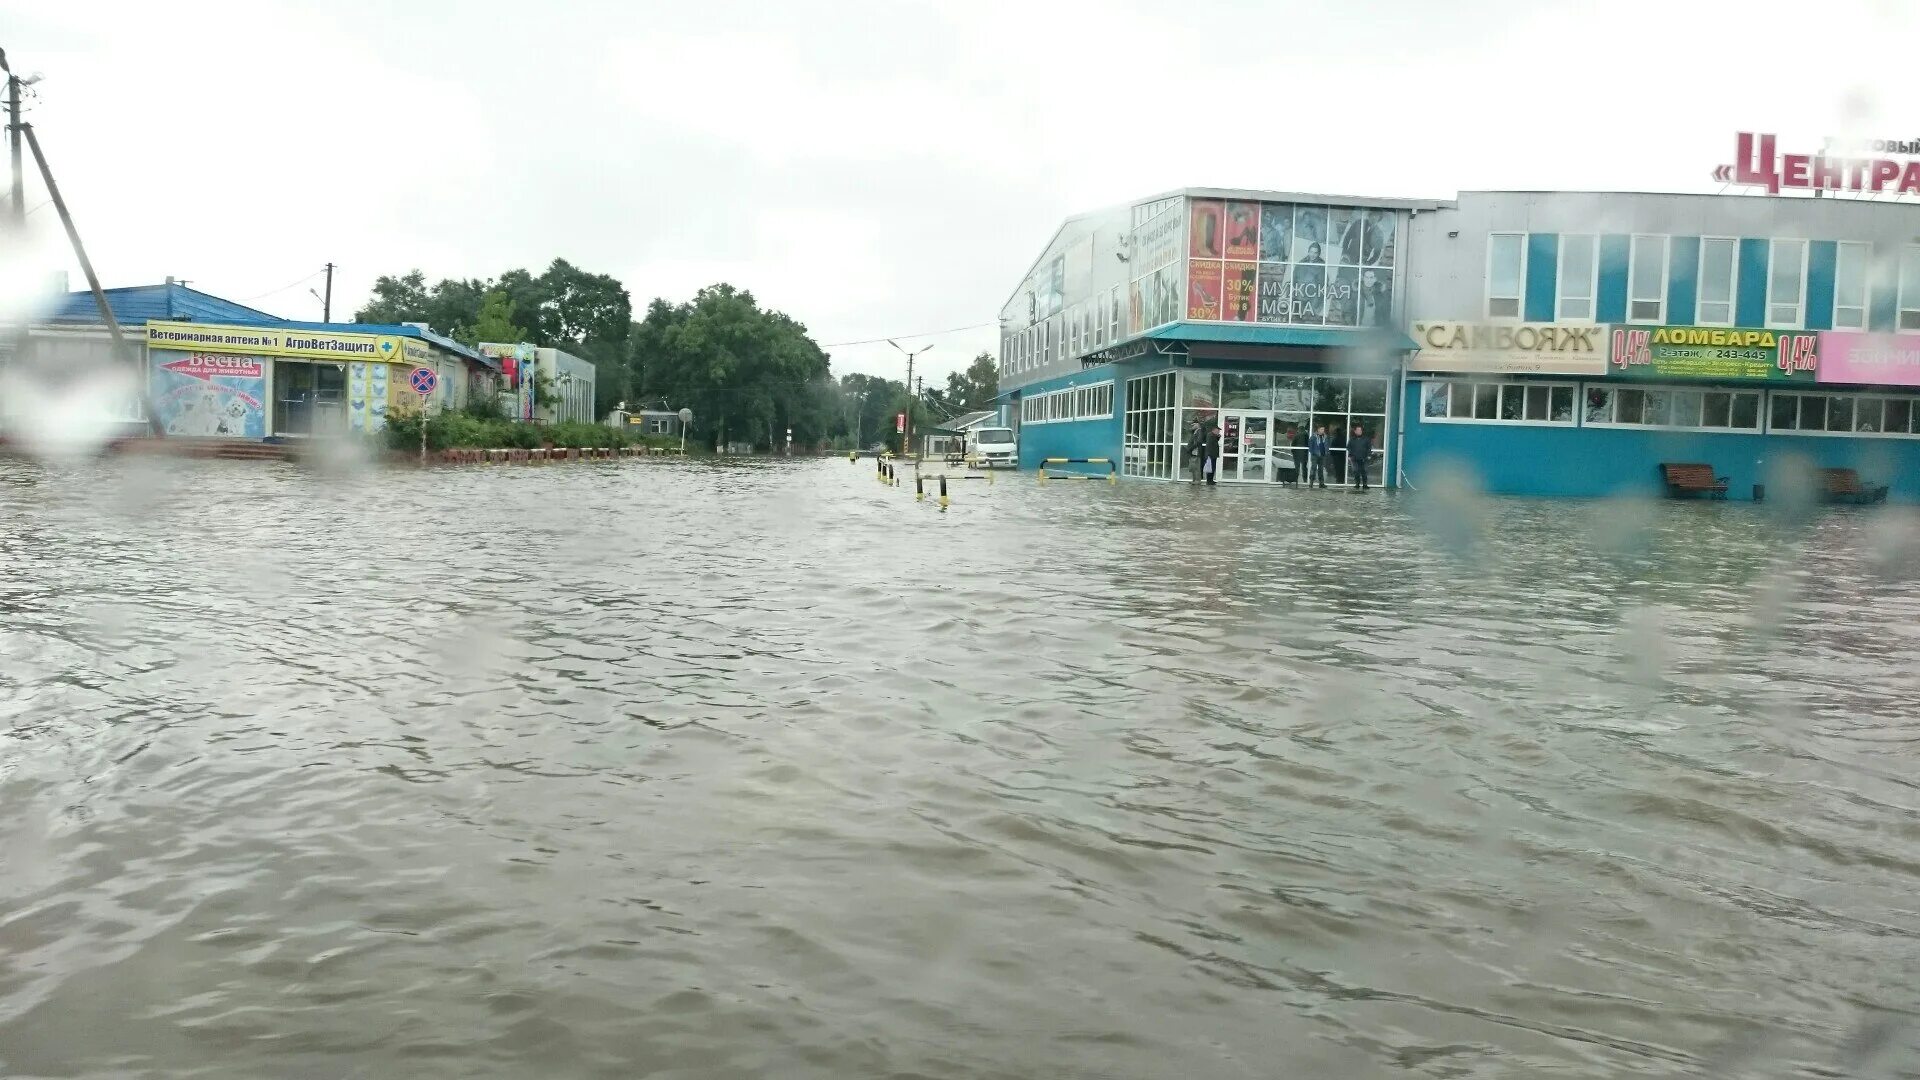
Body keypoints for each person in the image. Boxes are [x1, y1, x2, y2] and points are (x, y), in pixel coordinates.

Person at [1348, 424, 1374, 491]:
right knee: (1356, 471)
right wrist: (1350, 455)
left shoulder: (1366, 439)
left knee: (1364, 471)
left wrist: (1369, 455)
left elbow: (1369, 448)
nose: (1359, 431)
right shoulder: (1352, 439)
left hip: (1364, 458)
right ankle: (1357, 484)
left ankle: (1365, 484)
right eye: (1358, 430)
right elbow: (1348, 447)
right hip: (1354, 458)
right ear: (1355, 431)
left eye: (1360, 430)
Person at [1184, 420, 1207, 484]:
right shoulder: (1195, 432)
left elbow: (1198, 442)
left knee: (1196, 467)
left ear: (1198, 425)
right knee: (1193, 467)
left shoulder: (1199, 431)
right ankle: (1194, 480)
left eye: (1194, 425)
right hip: (1193, 452)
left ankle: (1197, 480)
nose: (1192, 426)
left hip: (1196, 452)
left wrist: (1190, 448)